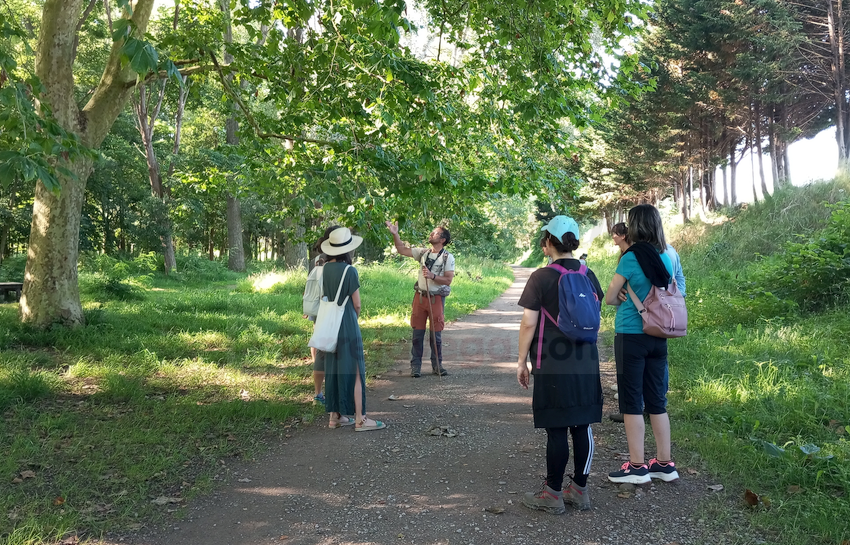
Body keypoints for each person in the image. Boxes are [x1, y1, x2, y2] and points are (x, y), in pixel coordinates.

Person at [516, 215, 604, 514]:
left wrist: (520, 362)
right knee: (583, 425)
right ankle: (579, 490)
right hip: (586, 359)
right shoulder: (588, 274)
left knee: (556, 427)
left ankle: (553, 494)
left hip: (551, 361)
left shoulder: (541, 277)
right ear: (572, 242)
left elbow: (529, 323)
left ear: (547, 244)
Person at [604, 204, 680, 484]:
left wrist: (623, 292)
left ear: (635, 226)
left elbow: (610, 298)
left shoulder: (630, 258)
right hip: (659, 335)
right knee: (657, 401)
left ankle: (636, 467)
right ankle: (664, 464)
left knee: (632, 401)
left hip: (631, 335)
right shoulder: (667, 256)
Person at [320, 227, 386, 431]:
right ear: (347, 249)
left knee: (333, 369)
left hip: (328, 324)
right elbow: (356, 304)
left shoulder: (323, 269)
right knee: (356, 370)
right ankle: (360, 419)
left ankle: (334, 416)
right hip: (346, 322)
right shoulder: (350, 271)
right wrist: (353, 319)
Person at [385, 221, 455, 378]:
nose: (431, 234)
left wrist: (432, 276)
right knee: (417, 333)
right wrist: (395, 234)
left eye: (435, 233)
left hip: (436, 298)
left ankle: (437, 365)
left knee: (435, 334)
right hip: (420, 297)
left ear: (443, 239)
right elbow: (402, 249)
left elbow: (448, 280)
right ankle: (415, 367)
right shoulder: (423, 253)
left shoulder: (447, 257)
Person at [304, 226, 340, 405]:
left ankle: (319, 392)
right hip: (331, 308)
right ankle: (330, 392)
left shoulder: (319, 258)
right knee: (329, 351)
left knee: (319, 348)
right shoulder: (336, 259)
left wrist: (308, 307)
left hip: (318, 306)